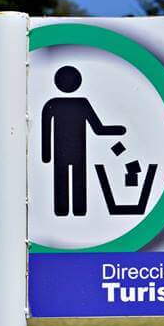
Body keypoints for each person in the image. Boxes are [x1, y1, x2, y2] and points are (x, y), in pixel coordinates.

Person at [41, 65, 126, 216]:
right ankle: (76, 209)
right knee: (74, 180)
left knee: (64, 180)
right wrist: (116, 130)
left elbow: (46, 131)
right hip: (75, 153)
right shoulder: (79, 104)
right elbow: (98, 128)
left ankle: (64, 210)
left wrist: (46, 155)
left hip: (65, 153)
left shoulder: (52, 105)